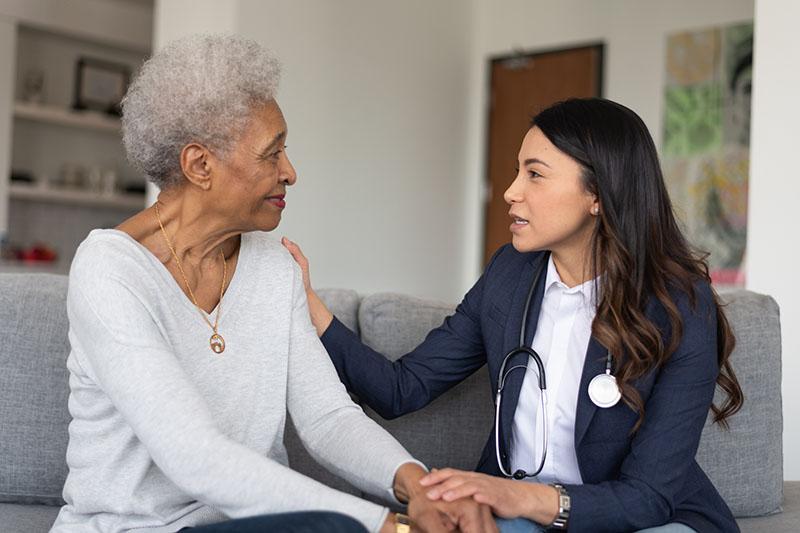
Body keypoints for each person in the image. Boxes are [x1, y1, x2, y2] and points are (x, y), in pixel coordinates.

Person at [51, 34, 496, 533]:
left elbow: (328, 417)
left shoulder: (272, 266)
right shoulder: (110, 271)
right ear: (200, 166)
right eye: (272, 153)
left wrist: (418, 486)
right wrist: (390, 526)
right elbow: (194, 456)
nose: (291, 172)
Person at [283, 98, 745, 532]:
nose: (510, 192)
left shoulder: (677, 304)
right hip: (524, 518)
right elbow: (402, 388)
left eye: (535, 175)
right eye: (516, 172)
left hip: (650, 521)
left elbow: (649, 496)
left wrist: (522, 497)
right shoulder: (511, 273)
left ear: (598, 195)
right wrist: (312, 307)